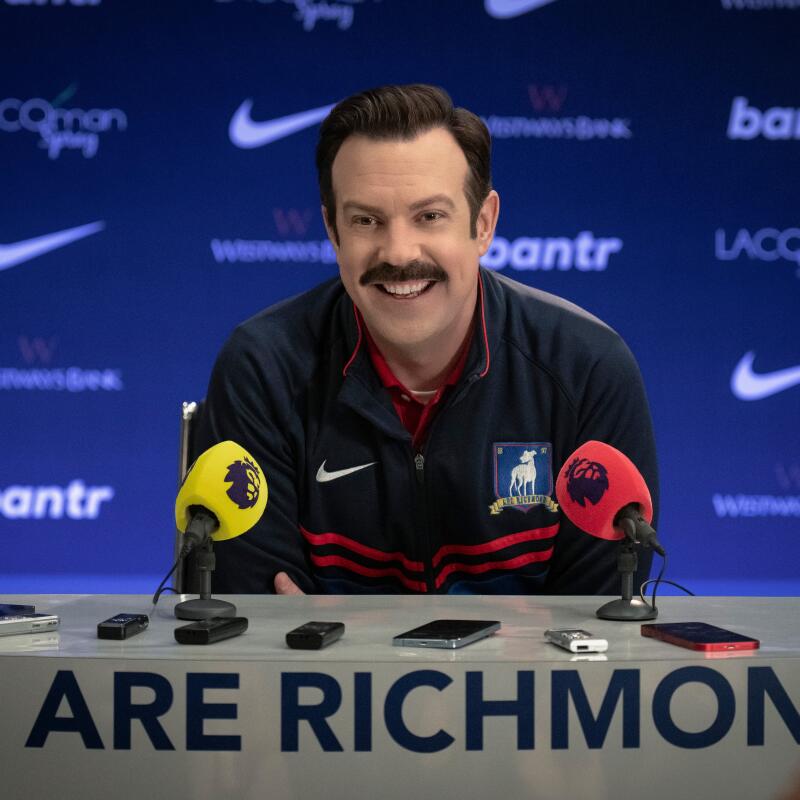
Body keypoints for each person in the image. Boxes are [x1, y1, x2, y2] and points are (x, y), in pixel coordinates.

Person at [195, 84, 659, 595]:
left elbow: (601, 625)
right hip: (327, 679)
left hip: (523, 679)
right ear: (333, 231)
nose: (398, 253)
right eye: (366, 220)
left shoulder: (586, 369)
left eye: (429, 216)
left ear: (483, 224)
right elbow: (261, 621)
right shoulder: (263, 369)